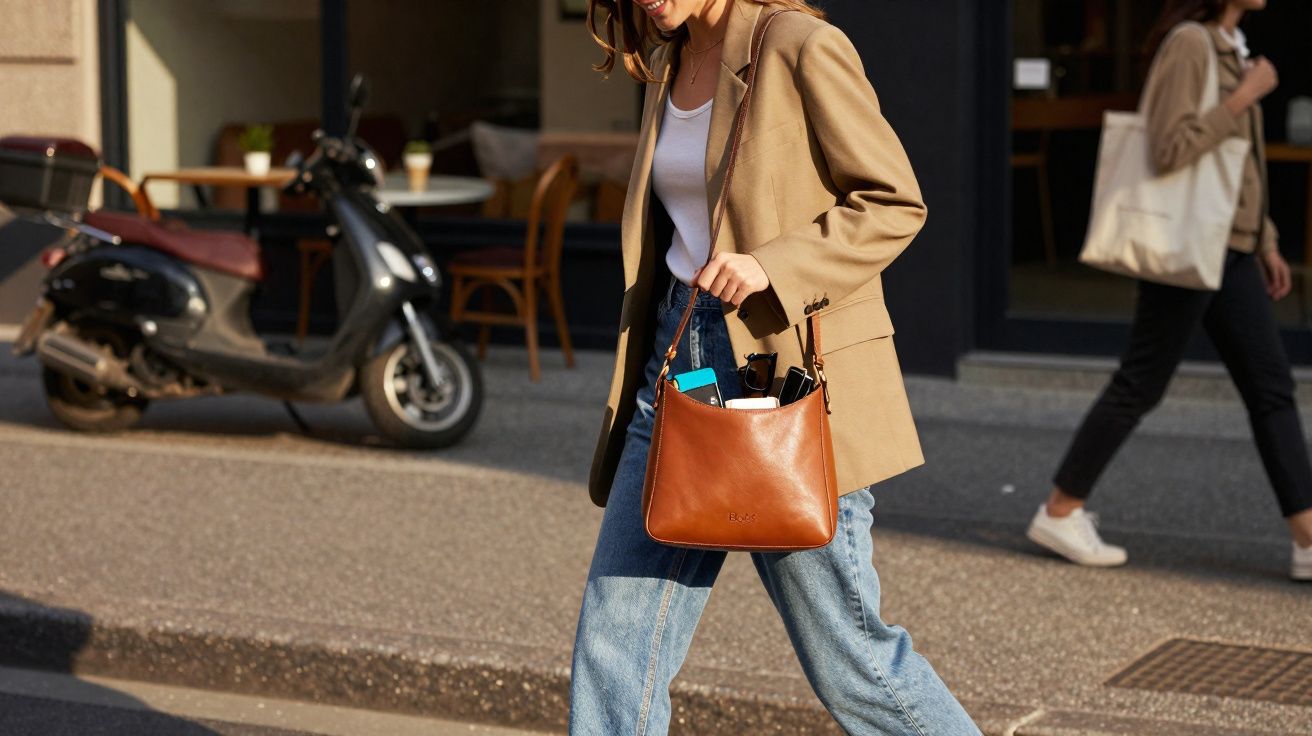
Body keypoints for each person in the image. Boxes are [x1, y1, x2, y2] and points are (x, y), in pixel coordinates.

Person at [567, 0, 981, 733]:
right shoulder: (669, 60)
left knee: (850, 659)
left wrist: (770, 266)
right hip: (676, 364)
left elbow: (893, 201)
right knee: (616, 634)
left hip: (776, 374)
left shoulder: (798, 45)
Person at [1026, 0, 1312, 582]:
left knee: (1271, 387)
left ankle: (1307, 537)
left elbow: (1244, 168)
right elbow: (1170, 147)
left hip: (1230, 245)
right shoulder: (1191, 44)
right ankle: (1060, 509)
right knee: (1142, 382)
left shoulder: (1232, 47)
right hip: (1189, 244)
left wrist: (1266, 241)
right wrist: (1243, 97)